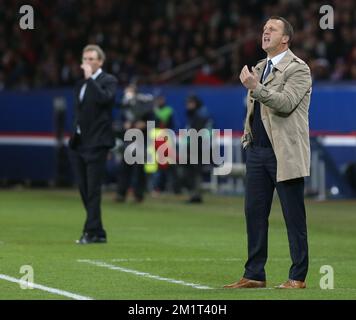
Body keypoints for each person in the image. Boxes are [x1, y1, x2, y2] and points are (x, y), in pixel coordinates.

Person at [224, 17, 312, 289]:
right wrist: (247, 138)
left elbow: (285, 104)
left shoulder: (299, 69)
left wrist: (255, 87)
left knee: (293, 215)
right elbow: (254, 112)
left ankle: (297, 277)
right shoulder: (260, 67)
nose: (265, 32)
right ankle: (254, 274)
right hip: (258, 153)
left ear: (286, 38)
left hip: (284, 153)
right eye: (263, 29)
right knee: (254, 213)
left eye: (272, 29)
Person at [69, 44, 118, 244]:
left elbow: (105, 100)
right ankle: (97, 231)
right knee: (84, 188)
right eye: (85, 59)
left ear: (100, 62)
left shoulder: (108, 81)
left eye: (91, 59)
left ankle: (90, 231)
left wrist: (91, 80)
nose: (87, 62)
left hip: (97, 143)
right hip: (80, 142)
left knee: (93, 189)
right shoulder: (80, 85)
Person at [115, 84, 154, 203]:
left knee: (139, 169)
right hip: (128, 141)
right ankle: (121, 194)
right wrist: (124, 126)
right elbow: (120, 123)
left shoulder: (144, 107)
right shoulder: (125, 107)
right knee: (124, 168)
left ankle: (138, 195)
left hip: (140, 140)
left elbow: (153, 121)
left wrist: (144, 124)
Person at [181, 95, 213, 203]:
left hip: (197, 149)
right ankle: (194, 195)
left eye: (190, 103)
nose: (188, 105)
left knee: (194, 173)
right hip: (195, 148)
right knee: (192, 173)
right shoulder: (196, 115)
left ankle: (195, 196)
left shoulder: (199, 116)